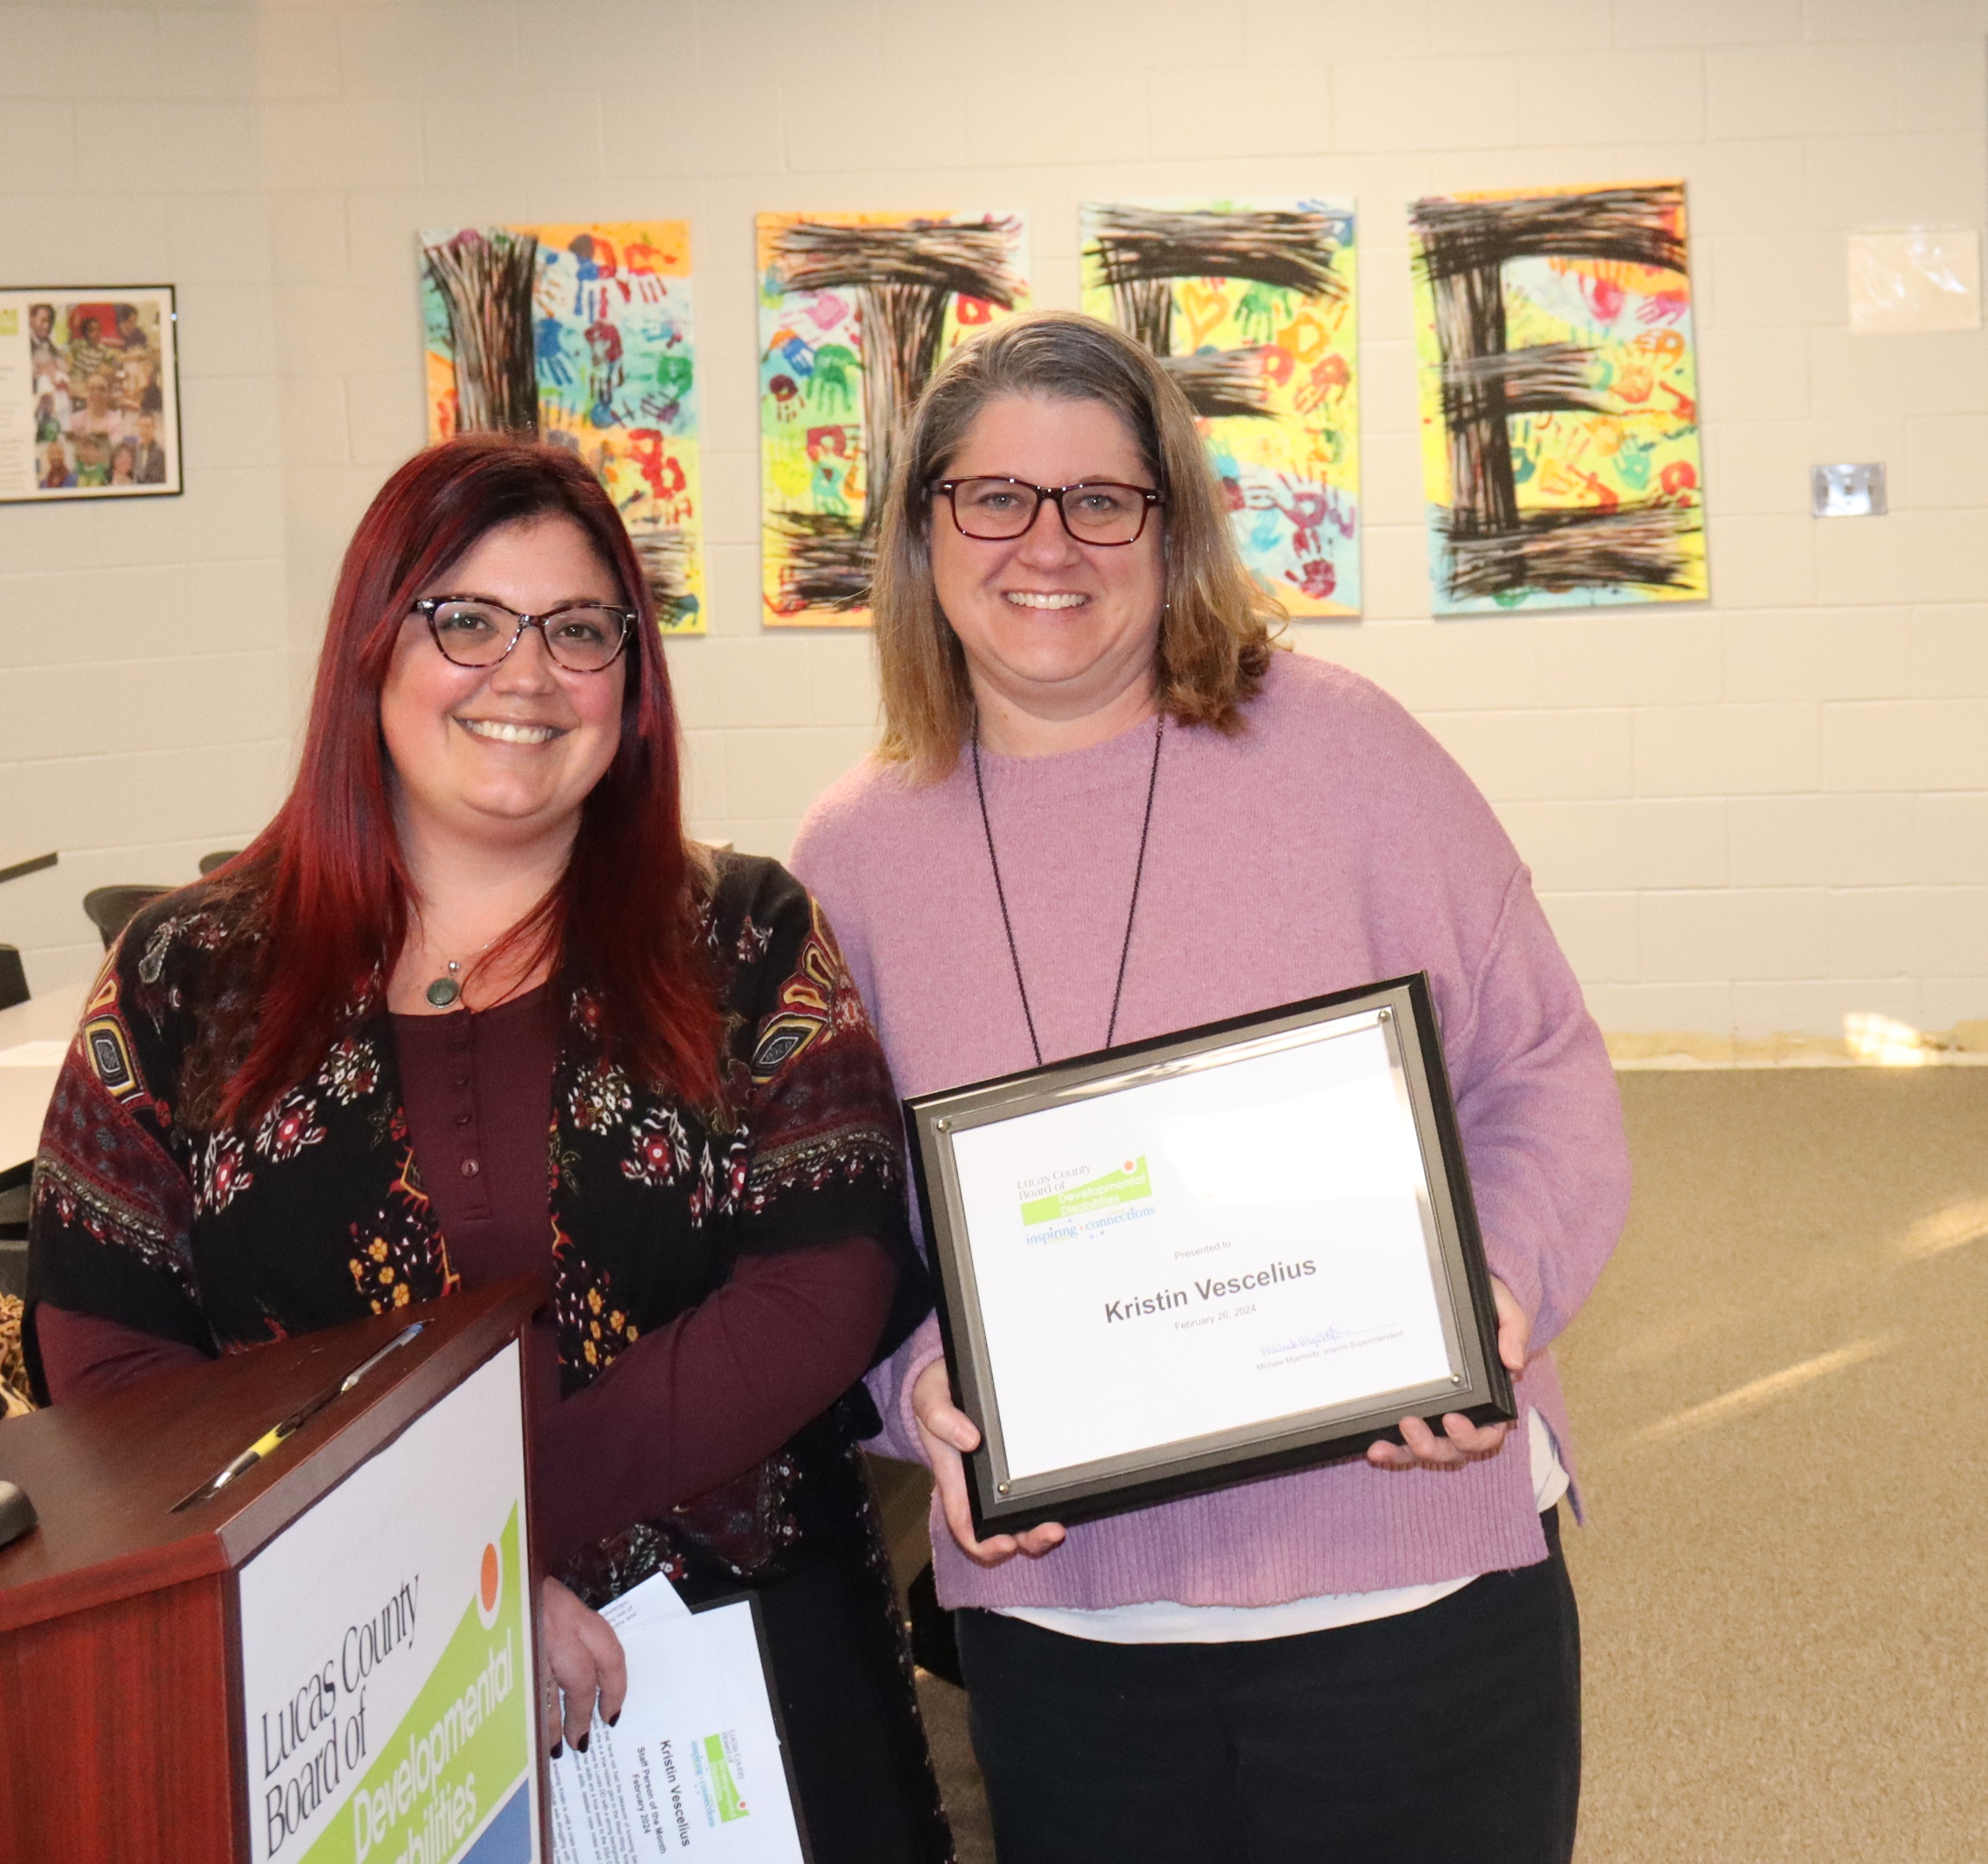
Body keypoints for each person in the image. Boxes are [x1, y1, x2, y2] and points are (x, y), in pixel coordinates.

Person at [26, 435, 955, 1864]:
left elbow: (821, 1282)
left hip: (742, 1690)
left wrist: (495, 1542)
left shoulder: (747, 934)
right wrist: (433, 1594)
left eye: (578, 630)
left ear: (629, 685)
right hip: (333, 1710)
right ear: (372, 648)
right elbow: (112, 1361)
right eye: (466, 618)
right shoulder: (184, 974)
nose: (524, 674)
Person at [790, 312, 1630, 1864]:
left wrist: (1493, 1296)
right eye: (993, 496)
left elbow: (1540, 1075)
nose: (1047, 542)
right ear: (922, 531)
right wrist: (917, 1386)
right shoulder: (848, 858)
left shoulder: (1348, 755)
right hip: (1070, 1634)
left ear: (1167, 528)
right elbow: (833, 1235)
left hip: (1404, 1587)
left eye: (1099, 499)